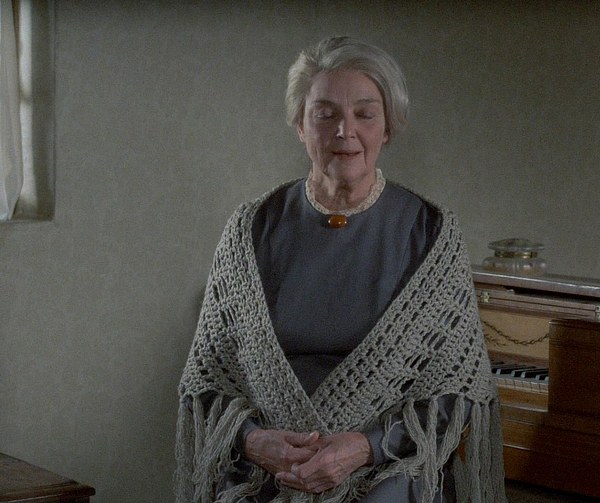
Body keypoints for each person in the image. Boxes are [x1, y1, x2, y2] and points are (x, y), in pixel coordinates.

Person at [175, 36, 506, 503]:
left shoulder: (431, 232)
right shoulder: (251, 228)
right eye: (325, 114)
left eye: (364, 114)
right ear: (300, 125)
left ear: (387, 127)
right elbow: (208, 381)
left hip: (385, 469)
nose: (344, 132)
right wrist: (255, 441)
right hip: (267, 468)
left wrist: (365, 447)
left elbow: (457, 391)